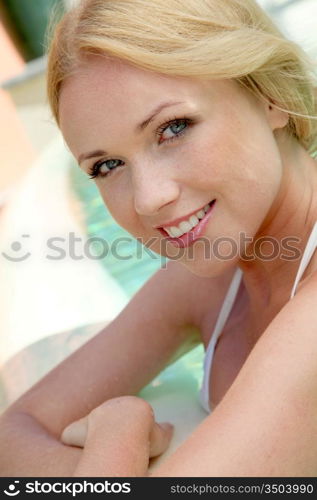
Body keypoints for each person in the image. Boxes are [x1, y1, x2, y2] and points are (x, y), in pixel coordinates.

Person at [1, 0, 317, 477]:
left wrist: (118, 433)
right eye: (107, 166)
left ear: (268, 95)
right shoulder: (216, 279)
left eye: (173, 128)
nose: (149, 200)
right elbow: (15, 431)